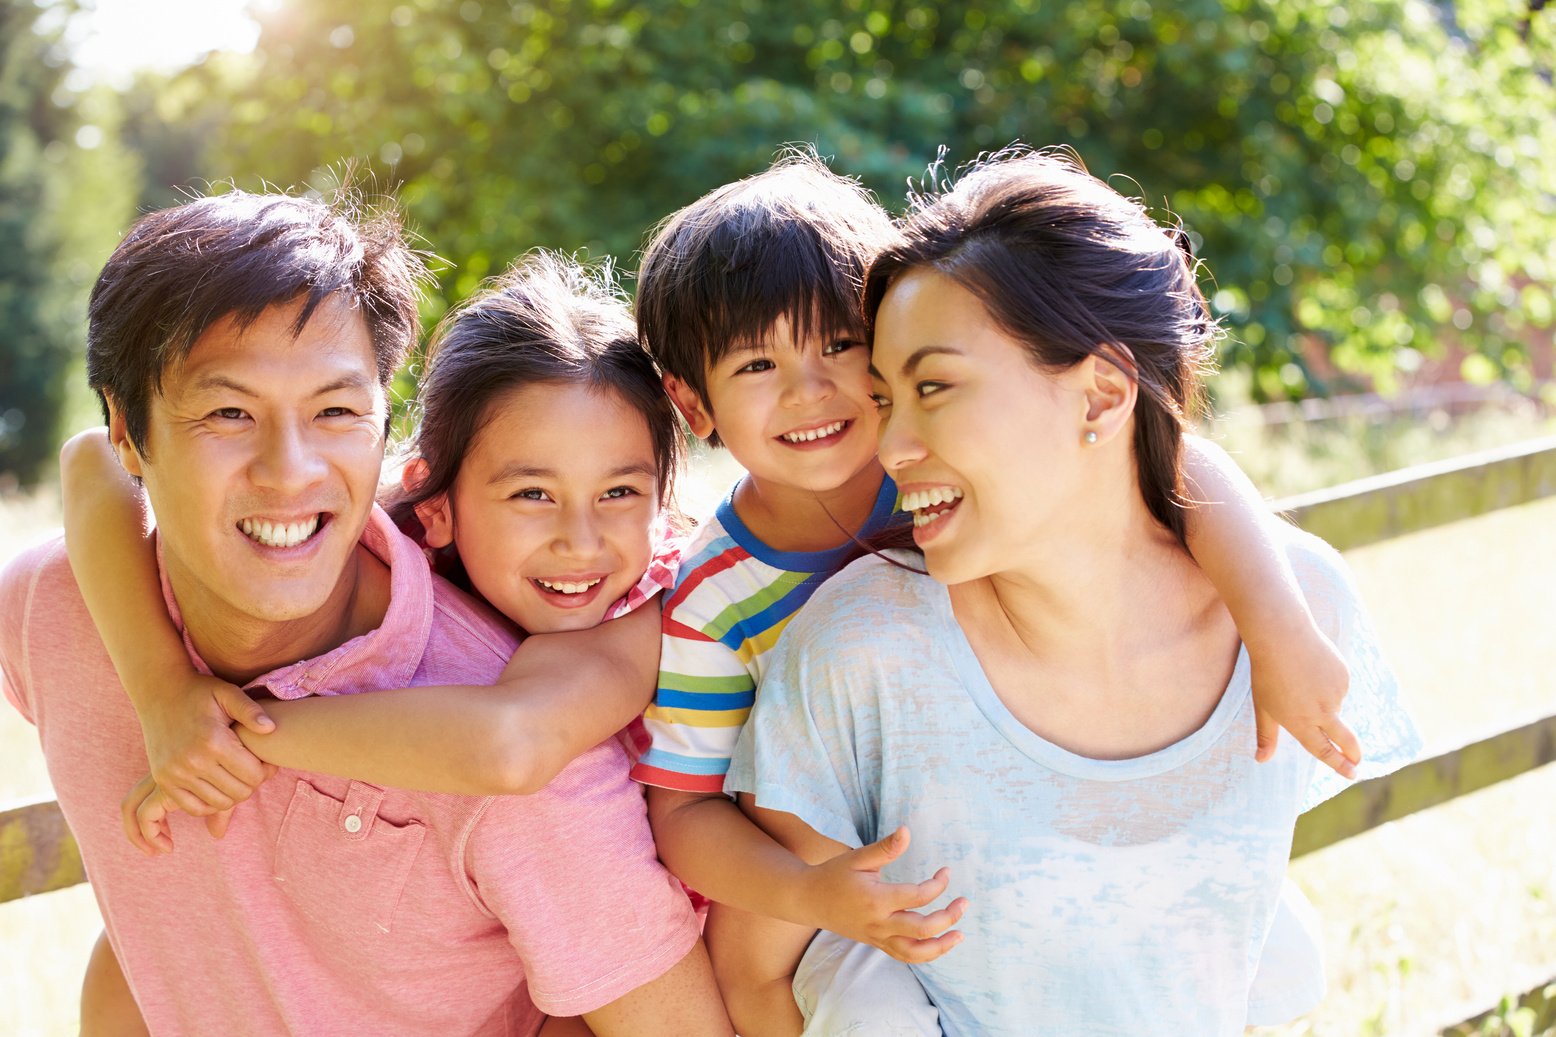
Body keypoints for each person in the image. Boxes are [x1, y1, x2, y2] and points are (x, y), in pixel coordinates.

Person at [629, 151, 1366, 1035]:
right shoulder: (722, 594)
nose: (812, 390)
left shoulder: (936, 475)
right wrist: (810, 893)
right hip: (833, 858)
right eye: (757, 365)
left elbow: (1172, 457)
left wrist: (1272, 617)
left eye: (842, 350)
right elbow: (686, 810)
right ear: (692, 401)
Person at [1, 193, 727, 1036]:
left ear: (385, 425)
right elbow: (86, 466)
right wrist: (162, 688)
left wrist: (231, 732)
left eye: (336, 410)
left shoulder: (531, 764)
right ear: (131, 429)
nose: (289, 469)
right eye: (229, 411)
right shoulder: (60, 606)